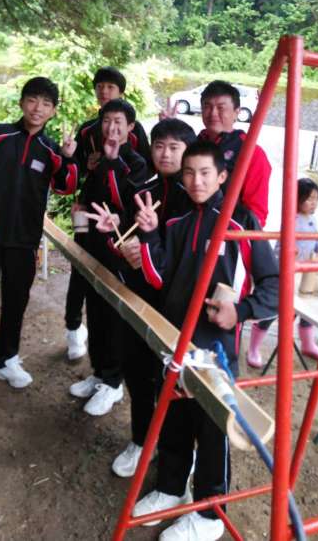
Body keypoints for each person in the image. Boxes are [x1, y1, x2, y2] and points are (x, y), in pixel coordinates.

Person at [132, 141, 279, 541]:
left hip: (216, 352)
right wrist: (149, 233)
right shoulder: (177, 221)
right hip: (174, 341)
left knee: (213, 429)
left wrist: (241, 311)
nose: (196, 181)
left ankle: (211, 514)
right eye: (189, 173)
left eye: (205, 173)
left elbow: (274, 285)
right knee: (173, 416)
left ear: (222, 177)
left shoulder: (241, 223)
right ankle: (171, 488)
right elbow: (159, 279)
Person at [0, 77, 78, 409]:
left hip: (24, 240)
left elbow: (67, 187)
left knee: (15, 302)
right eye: (32, 100)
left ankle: (5, 360)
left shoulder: (51, 150)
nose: (38, 108)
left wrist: (68, 158)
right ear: (23, 103)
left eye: (46, 103)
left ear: (53, 111)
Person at [86, 118, 196, 476]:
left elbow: (181, 258)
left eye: (174, 147)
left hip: (174, 307)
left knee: (172, 384)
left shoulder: (193, 198)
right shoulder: (144, 186)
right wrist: (117, 237)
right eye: (159, 146)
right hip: (138, 296)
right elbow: (127, 237)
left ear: (188, 152)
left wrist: (145, 251)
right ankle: (141, 440)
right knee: (136, 371)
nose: (165, 154)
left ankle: (178, 456)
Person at [64, 65, 151, 360]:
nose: (104, 91)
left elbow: (138, 186)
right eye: (100, 86)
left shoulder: (134, 147)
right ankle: (76, 334)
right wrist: (79, 163)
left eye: (110, 87)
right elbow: (82, 178)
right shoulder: (88, 130)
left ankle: (112, 371)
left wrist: (113, 162)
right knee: (81, 276)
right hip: (89, 223)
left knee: (111, 294)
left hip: (119, 234)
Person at [69, 98, 148, 417]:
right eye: (106, 121)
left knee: (114, 316)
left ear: (131, 127)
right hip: (94, 247)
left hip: (119, 253)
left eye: (118, 122)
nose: (111, 128)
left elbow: (128, 207)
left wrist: (114, 162)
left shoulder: (137, 164)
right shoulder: (98, 158)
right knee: (95, 310)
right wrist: (80, 213)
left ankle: (114, 383)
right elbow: (90, 198)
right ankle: (99, 372)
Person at [247, 177, 318, 368]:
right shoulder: (291, 221)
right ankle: (253, 348)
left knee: (306, 311)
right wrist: (289, 253)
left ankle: (307, 344)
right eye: (309, 198)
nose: (313, 203)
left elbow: (317, 241)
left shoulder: (312, 220)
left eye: (316, 198)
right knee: (274, 311)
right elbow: (279, 248)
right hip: (287, 275)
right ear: (297, 199)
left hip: (305, 275)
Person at [198, 80, 271, 227]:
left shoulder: (252, 153)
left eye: (221, 108)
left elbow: (255, 214)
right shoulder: (194, 144)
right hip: (190, 230)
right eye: (207, 106)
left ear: (236, 112)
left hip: (224, 233)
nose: (213, 113)